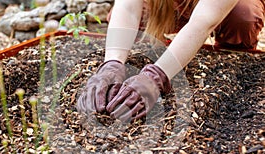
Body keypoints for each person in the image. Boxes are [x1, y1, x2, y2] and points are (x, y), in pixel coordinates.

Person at [77, 0, 265, 122]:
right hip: (168, 4)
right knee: (126, 22)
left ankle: (233, 55)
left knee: (243, 16)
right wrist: (112, 64)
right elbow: (127, 7)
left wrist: (156, 76)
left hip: (224, 8)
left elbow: (203, 21)